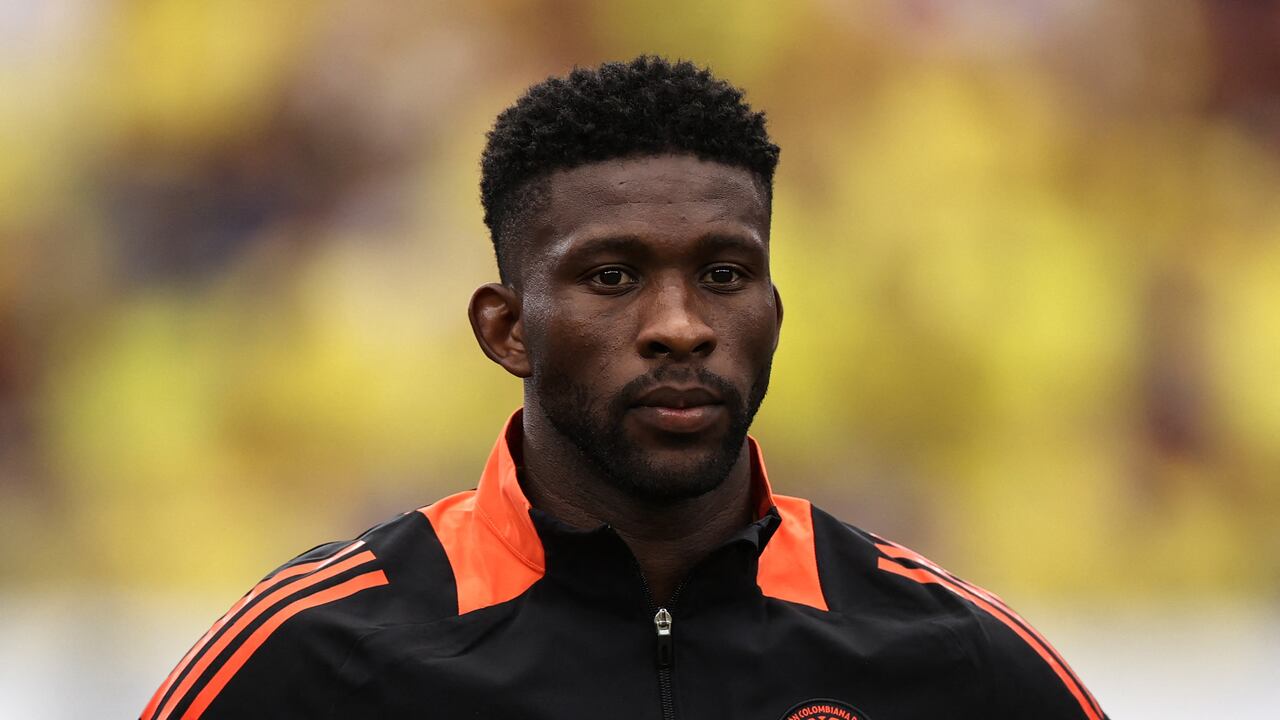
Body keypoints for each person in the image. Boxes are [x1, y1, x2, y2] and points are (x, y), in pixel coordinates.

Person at [141, 56, 1107, 720]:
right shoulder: (321, 650)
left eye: (724, 275)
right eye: (613, 277)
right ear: (507, 328)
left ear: (776, 311)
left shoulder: (944, 654)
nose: (680, 325)